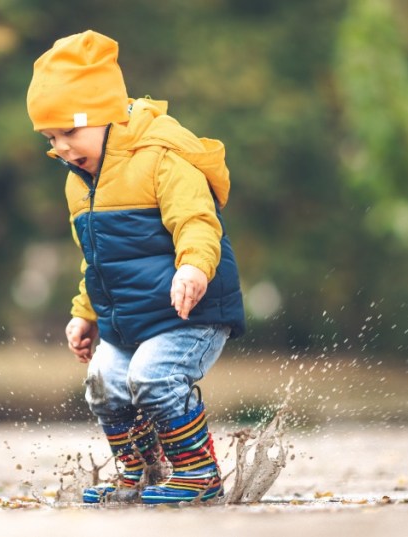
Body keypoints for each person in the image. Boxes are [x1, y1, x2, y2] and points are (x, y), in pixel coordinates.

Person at [26, 30, 246, 504]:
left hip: (191, 310)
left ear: (104, 115)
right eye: (50, 137)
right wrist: (84, 312)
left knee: (153, 378)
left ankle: (199, 474)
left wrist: (193, 270)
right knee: (103, 384)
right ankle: (141, 472)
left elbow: (196, 223)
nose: (62, 147)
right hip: (129, 318)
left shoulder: (161, 158)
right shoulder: (78, 183)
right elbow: (97, 259)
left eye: (70, 131)